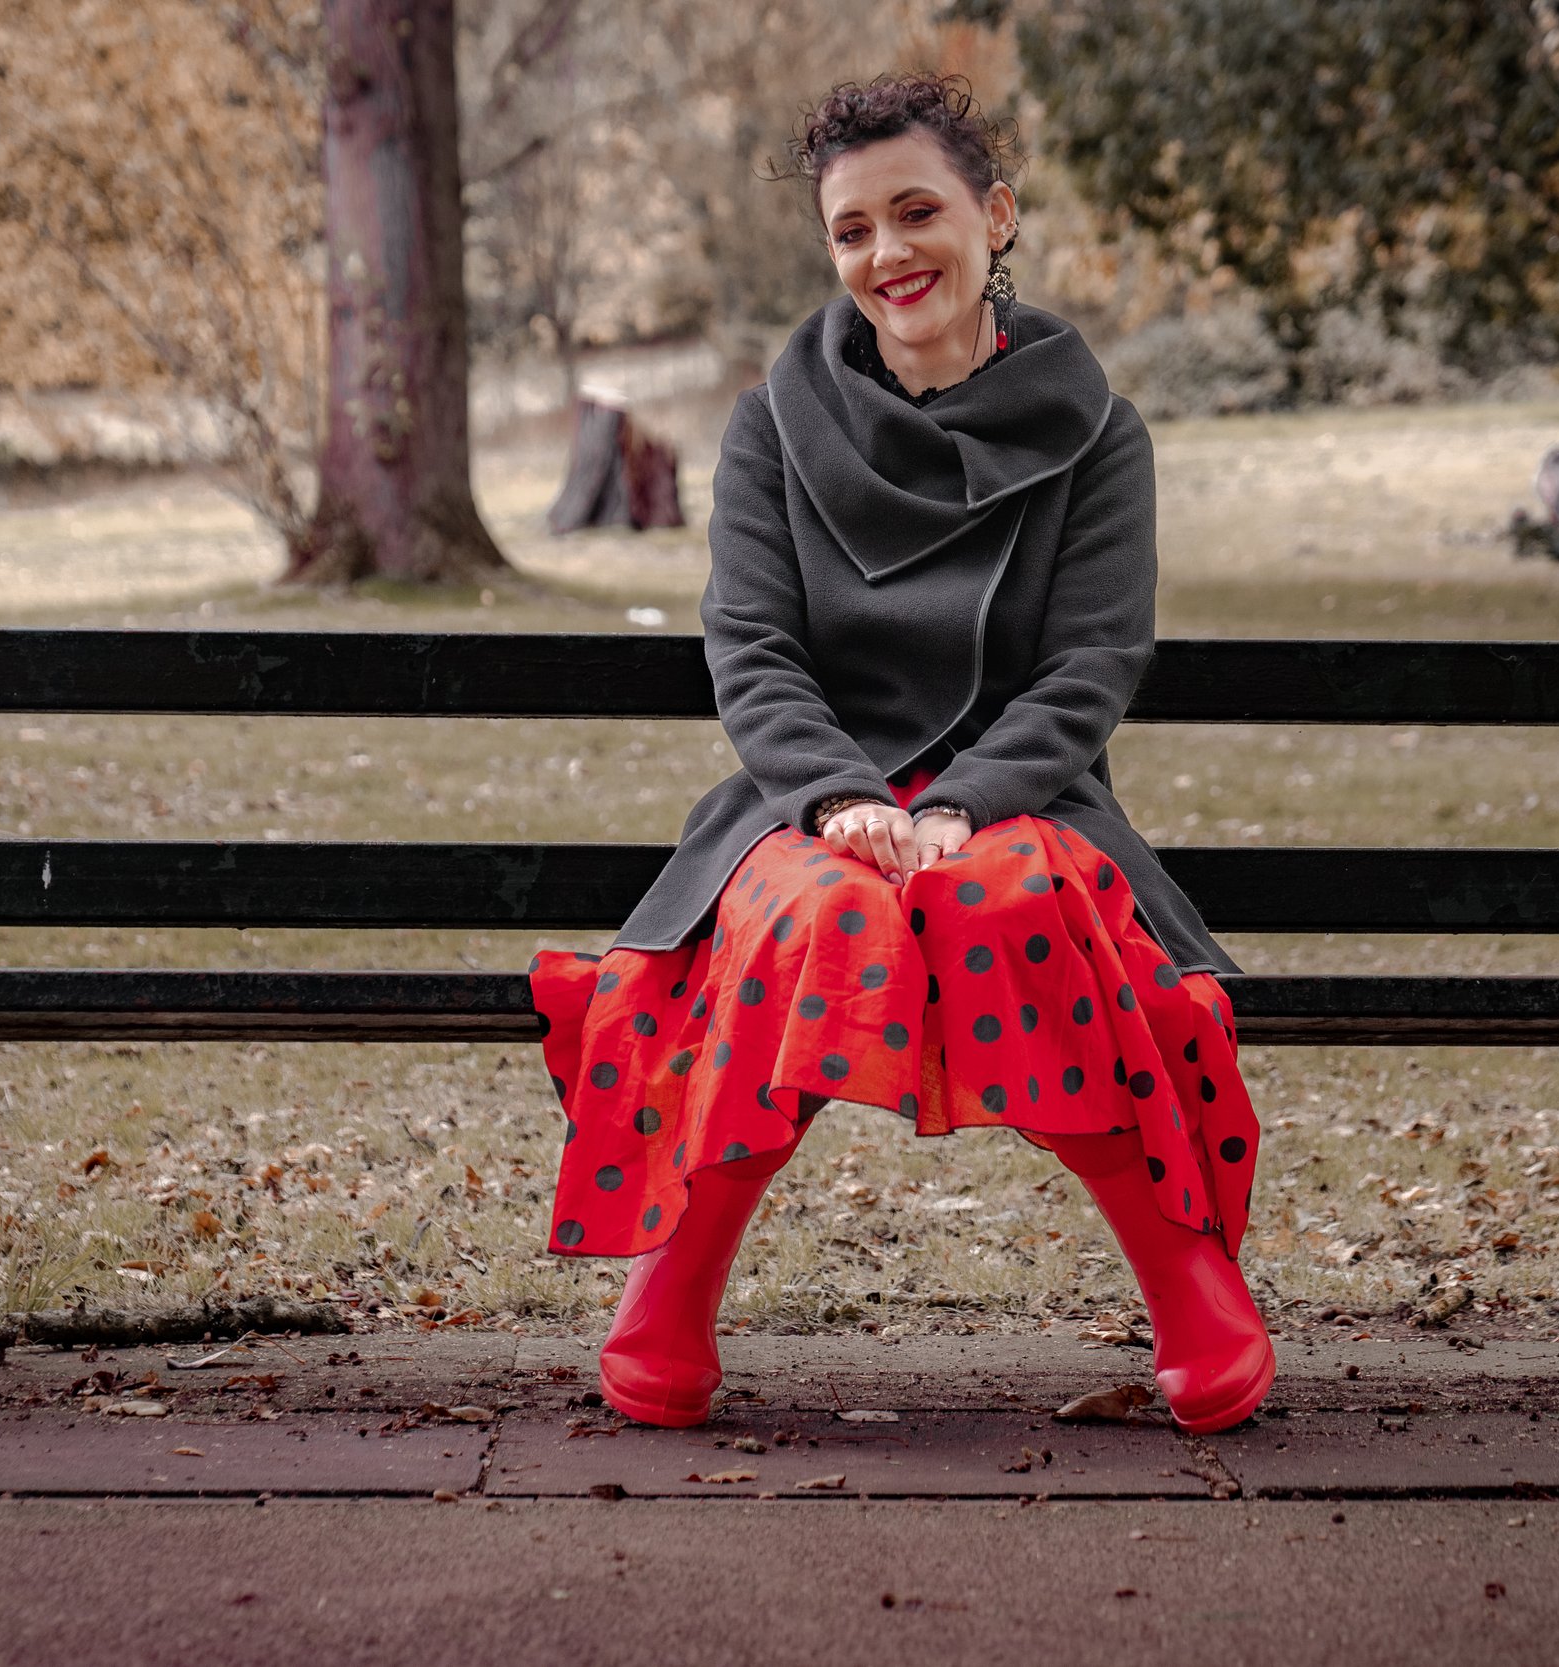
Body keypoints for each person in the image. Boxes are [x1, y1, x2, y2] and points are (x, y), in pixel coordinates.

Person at [528, 72, 1273, 1436]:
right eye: (852, 231)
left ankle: (1190, 1284)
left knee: (1012, 903)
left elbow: (1090, 666)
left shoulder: (1098, 431)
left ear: (995, 217)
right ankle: (672, 1290)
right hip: (807, 803)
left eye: (917, 212)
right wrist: (840, 798)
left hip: (1022, 797)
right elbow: (752, 650)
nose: (888, 255)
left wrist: (969, 803)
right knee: (816, 924)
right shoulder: (774, 422)